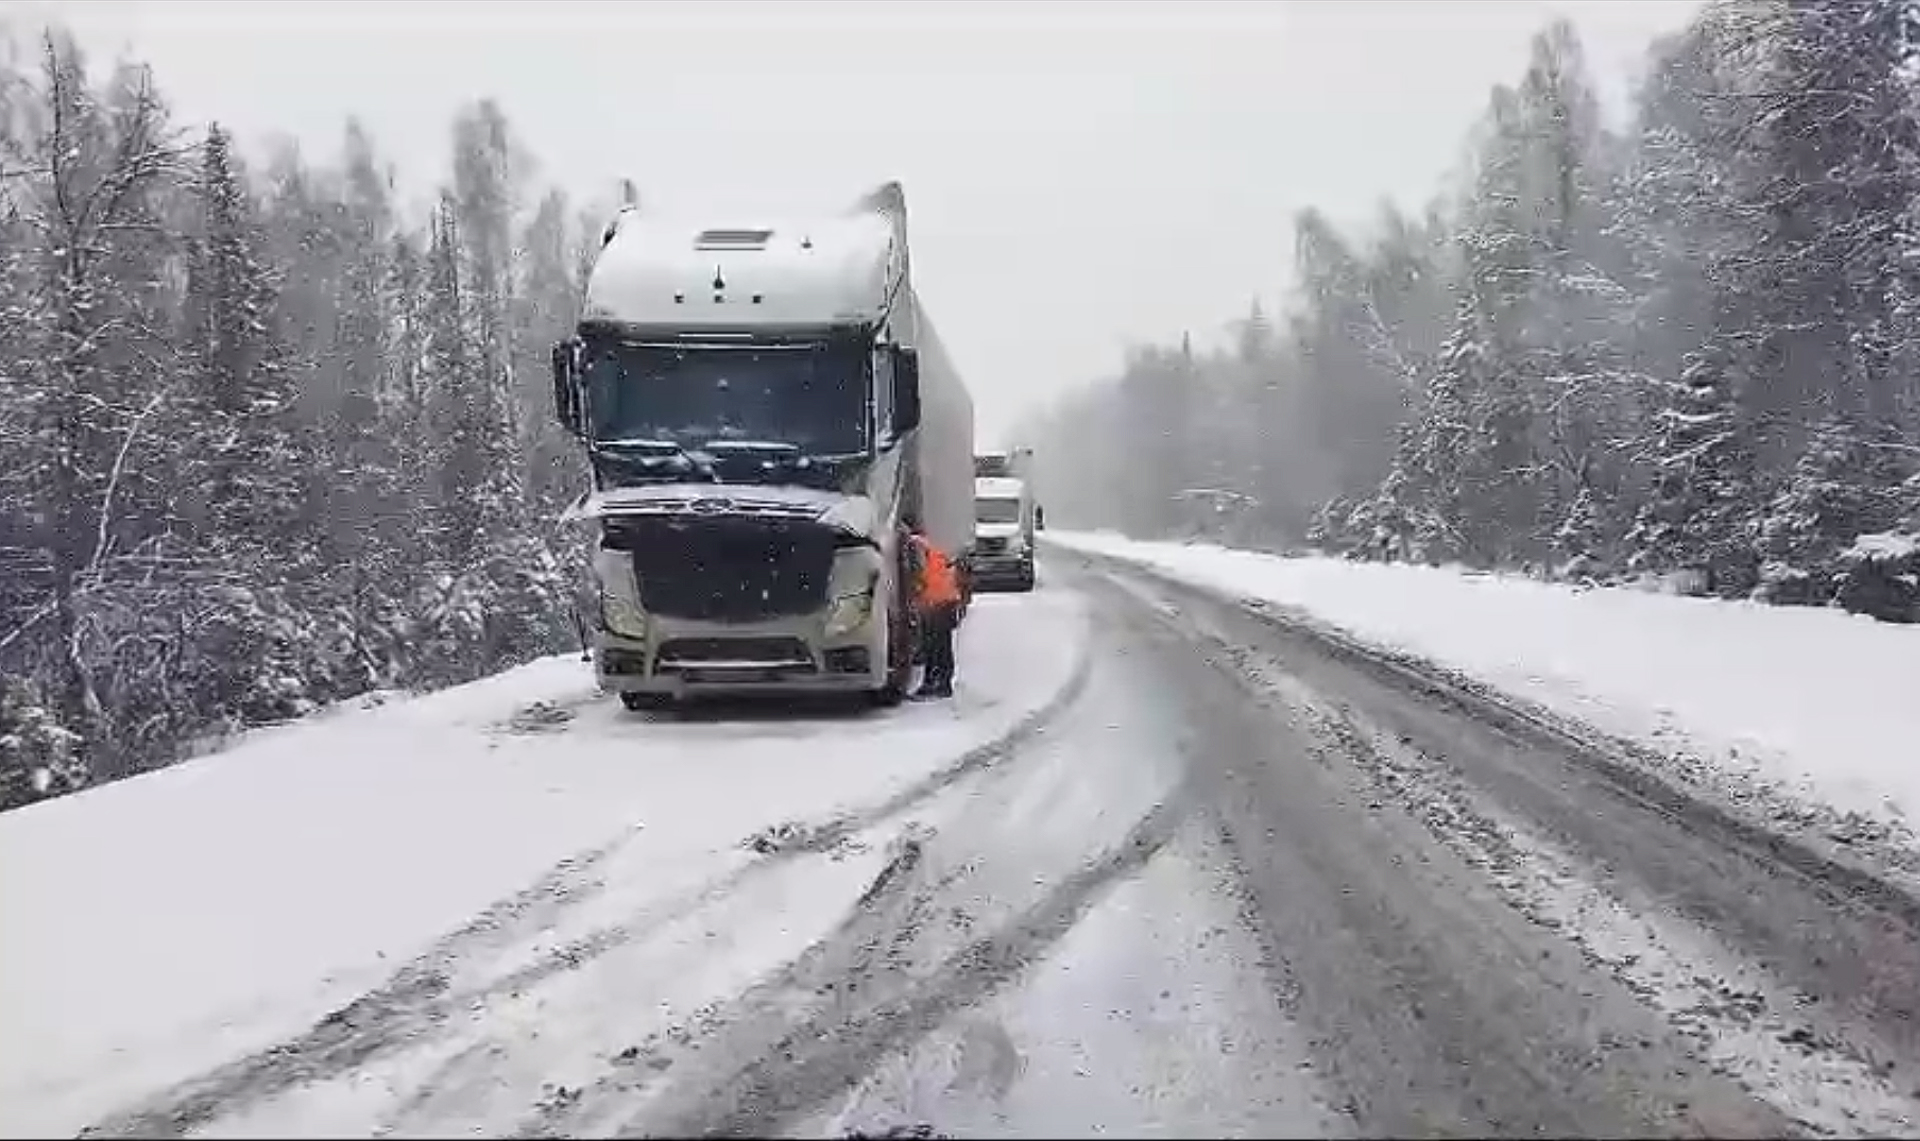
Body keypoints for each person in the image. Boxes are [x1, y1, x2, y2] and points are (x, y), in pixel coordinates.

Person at [906, 524, 962, 699]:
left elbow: (918, 576)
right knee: (942, 644)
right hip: (945, 598)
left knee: (934, 646)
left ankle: (934, 683)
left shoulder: (915, 547)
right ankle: (941, 683)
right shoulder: (930, 545)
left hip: (935, 601)